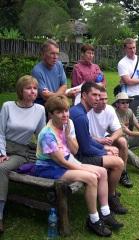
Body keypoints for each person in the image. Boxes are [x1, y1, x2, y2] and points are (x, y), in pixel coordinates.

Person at [34, 95, 123, 237]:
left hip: (67, 160)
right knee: (92, 177)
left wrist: (69, 135)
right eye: (59, 112)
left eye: (66, 110)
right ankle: (93, 220)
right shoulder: (47, 134)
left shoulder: (68, 123)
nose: (65, 115)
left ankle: (105, 213)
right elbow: (61, 162)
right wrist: (82, 168)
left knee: (102, 172)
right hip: (49, 167)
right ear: (50, 114)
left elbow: (74, 150)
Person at [69, 82, 127, 214]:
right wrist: (105, 152)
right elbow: (85, 149)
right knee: (118, 162)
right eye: (94, 95)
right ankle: (111, 197)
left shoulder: (80, 111)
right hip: (76, 158)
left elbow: (88, 139)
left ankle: (108, 195)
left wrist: (105, 148)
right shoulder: (80, 116)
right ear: (84, 95)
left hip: (79, 153)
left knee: (114, 153)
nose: (97, 98)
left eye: (99, 96)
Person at [0, 75, 46, 234]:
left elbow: (42, 134)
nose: (32, 91)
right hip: (3, 147)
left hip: (21, 152)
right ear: (20, 90)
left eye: (35, 88)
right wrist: (1, 152)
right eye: (28, 88)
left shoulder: (39, 110)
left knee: (2, 169)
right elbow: (0, 133)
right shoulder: (7, 106)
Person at [31, 39, 78, 106]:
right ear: (43, 54)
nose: (55, 57)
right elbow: (45, 96)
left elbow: (64, 85)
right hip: (43, 103)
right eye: (52, 53)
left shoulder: (59, 65)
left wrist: (56, 97)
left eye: (57, 54)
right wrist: (65, 95)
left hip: (56, 101)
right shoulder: (37, 71)